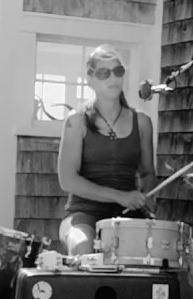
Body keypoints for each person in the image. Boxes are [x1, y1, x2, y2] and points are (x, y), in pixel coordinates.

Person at [57, 46, 156, 255]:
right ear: (90, 79)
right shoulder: (76, 121)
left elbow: (147, 173)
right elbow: (67, 180)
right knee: (83, 247)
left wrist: (145, 196)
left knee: (173, 251)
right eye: (104, 73)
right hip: (83, 215)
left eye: (118, 71)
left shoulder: (143, 122)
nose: (113, 78)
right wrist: (119, 196)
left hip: (130, 217)